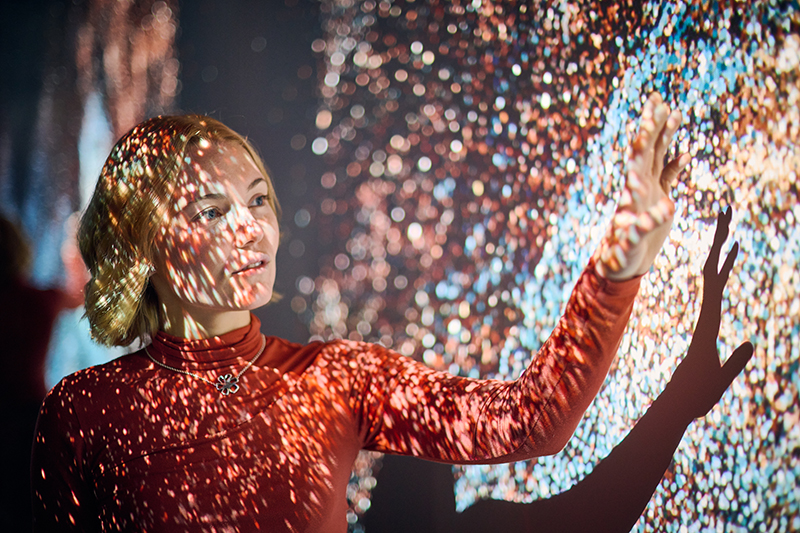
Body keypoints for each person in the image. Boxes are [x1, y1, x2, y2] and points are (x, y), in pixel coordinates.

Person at [32, 93, 688, 532]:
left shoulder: (337, 378)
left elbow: (528, 420)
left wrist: (617, 264)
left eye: (258, 200)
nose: (251, 230)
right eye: (212, 210)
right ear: (151, 240)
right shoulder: (83, 410)